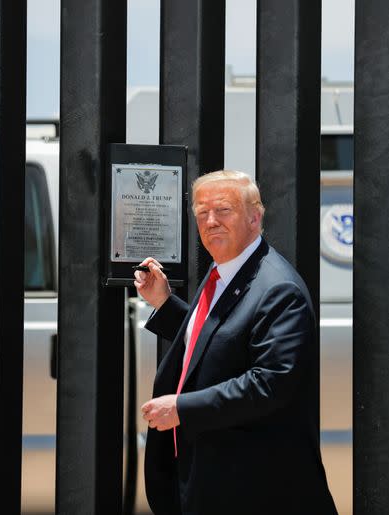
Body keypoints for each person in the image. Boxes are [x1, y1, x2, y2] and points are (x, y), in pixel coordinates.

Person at [134, 170, 337, 515]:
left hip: (254, 488)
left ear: (255, 216)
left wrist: (182, 408)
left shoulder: (278, 288)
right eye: (202, 212)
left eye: (223, 210)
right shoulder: (224, 272)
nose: (210, 221)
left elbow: (270, 384)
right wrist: (166, 305)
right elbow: (221, 338)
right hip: (215, 479)